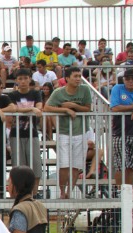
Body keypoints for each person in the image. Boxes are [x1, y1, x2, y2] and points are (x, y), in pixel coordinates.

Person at [44, 66, 92, 199]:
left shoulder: (85, 89)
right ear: (67, 78)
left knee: (76, 165)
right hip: (64, 131)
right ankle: (62, 192)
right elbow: (47, 107)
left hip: (81, 131)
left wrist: (73, 106)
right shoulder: (59, 92)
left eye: (79, 76)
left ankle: (70, 192)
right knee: (64, 164)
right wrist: (64, 110)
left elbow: (88, 108)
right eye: (75, 76)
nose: (78, 79)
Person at [8, 68, 44, 194]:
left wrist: (33, 109)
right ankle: (19, 194)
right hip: (16, 134)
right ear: (16, 81)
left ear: (30, 79)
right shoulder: (12, 95)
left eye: (25, 78)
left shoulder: (35, 93)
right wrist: (32, 109)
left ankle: (34, 193)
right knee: (18, 166)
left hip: (32, 133)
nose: (23, 81)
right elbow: (13, 109)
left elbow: (39, 108)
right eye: (20, 79)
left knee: (35, 164)